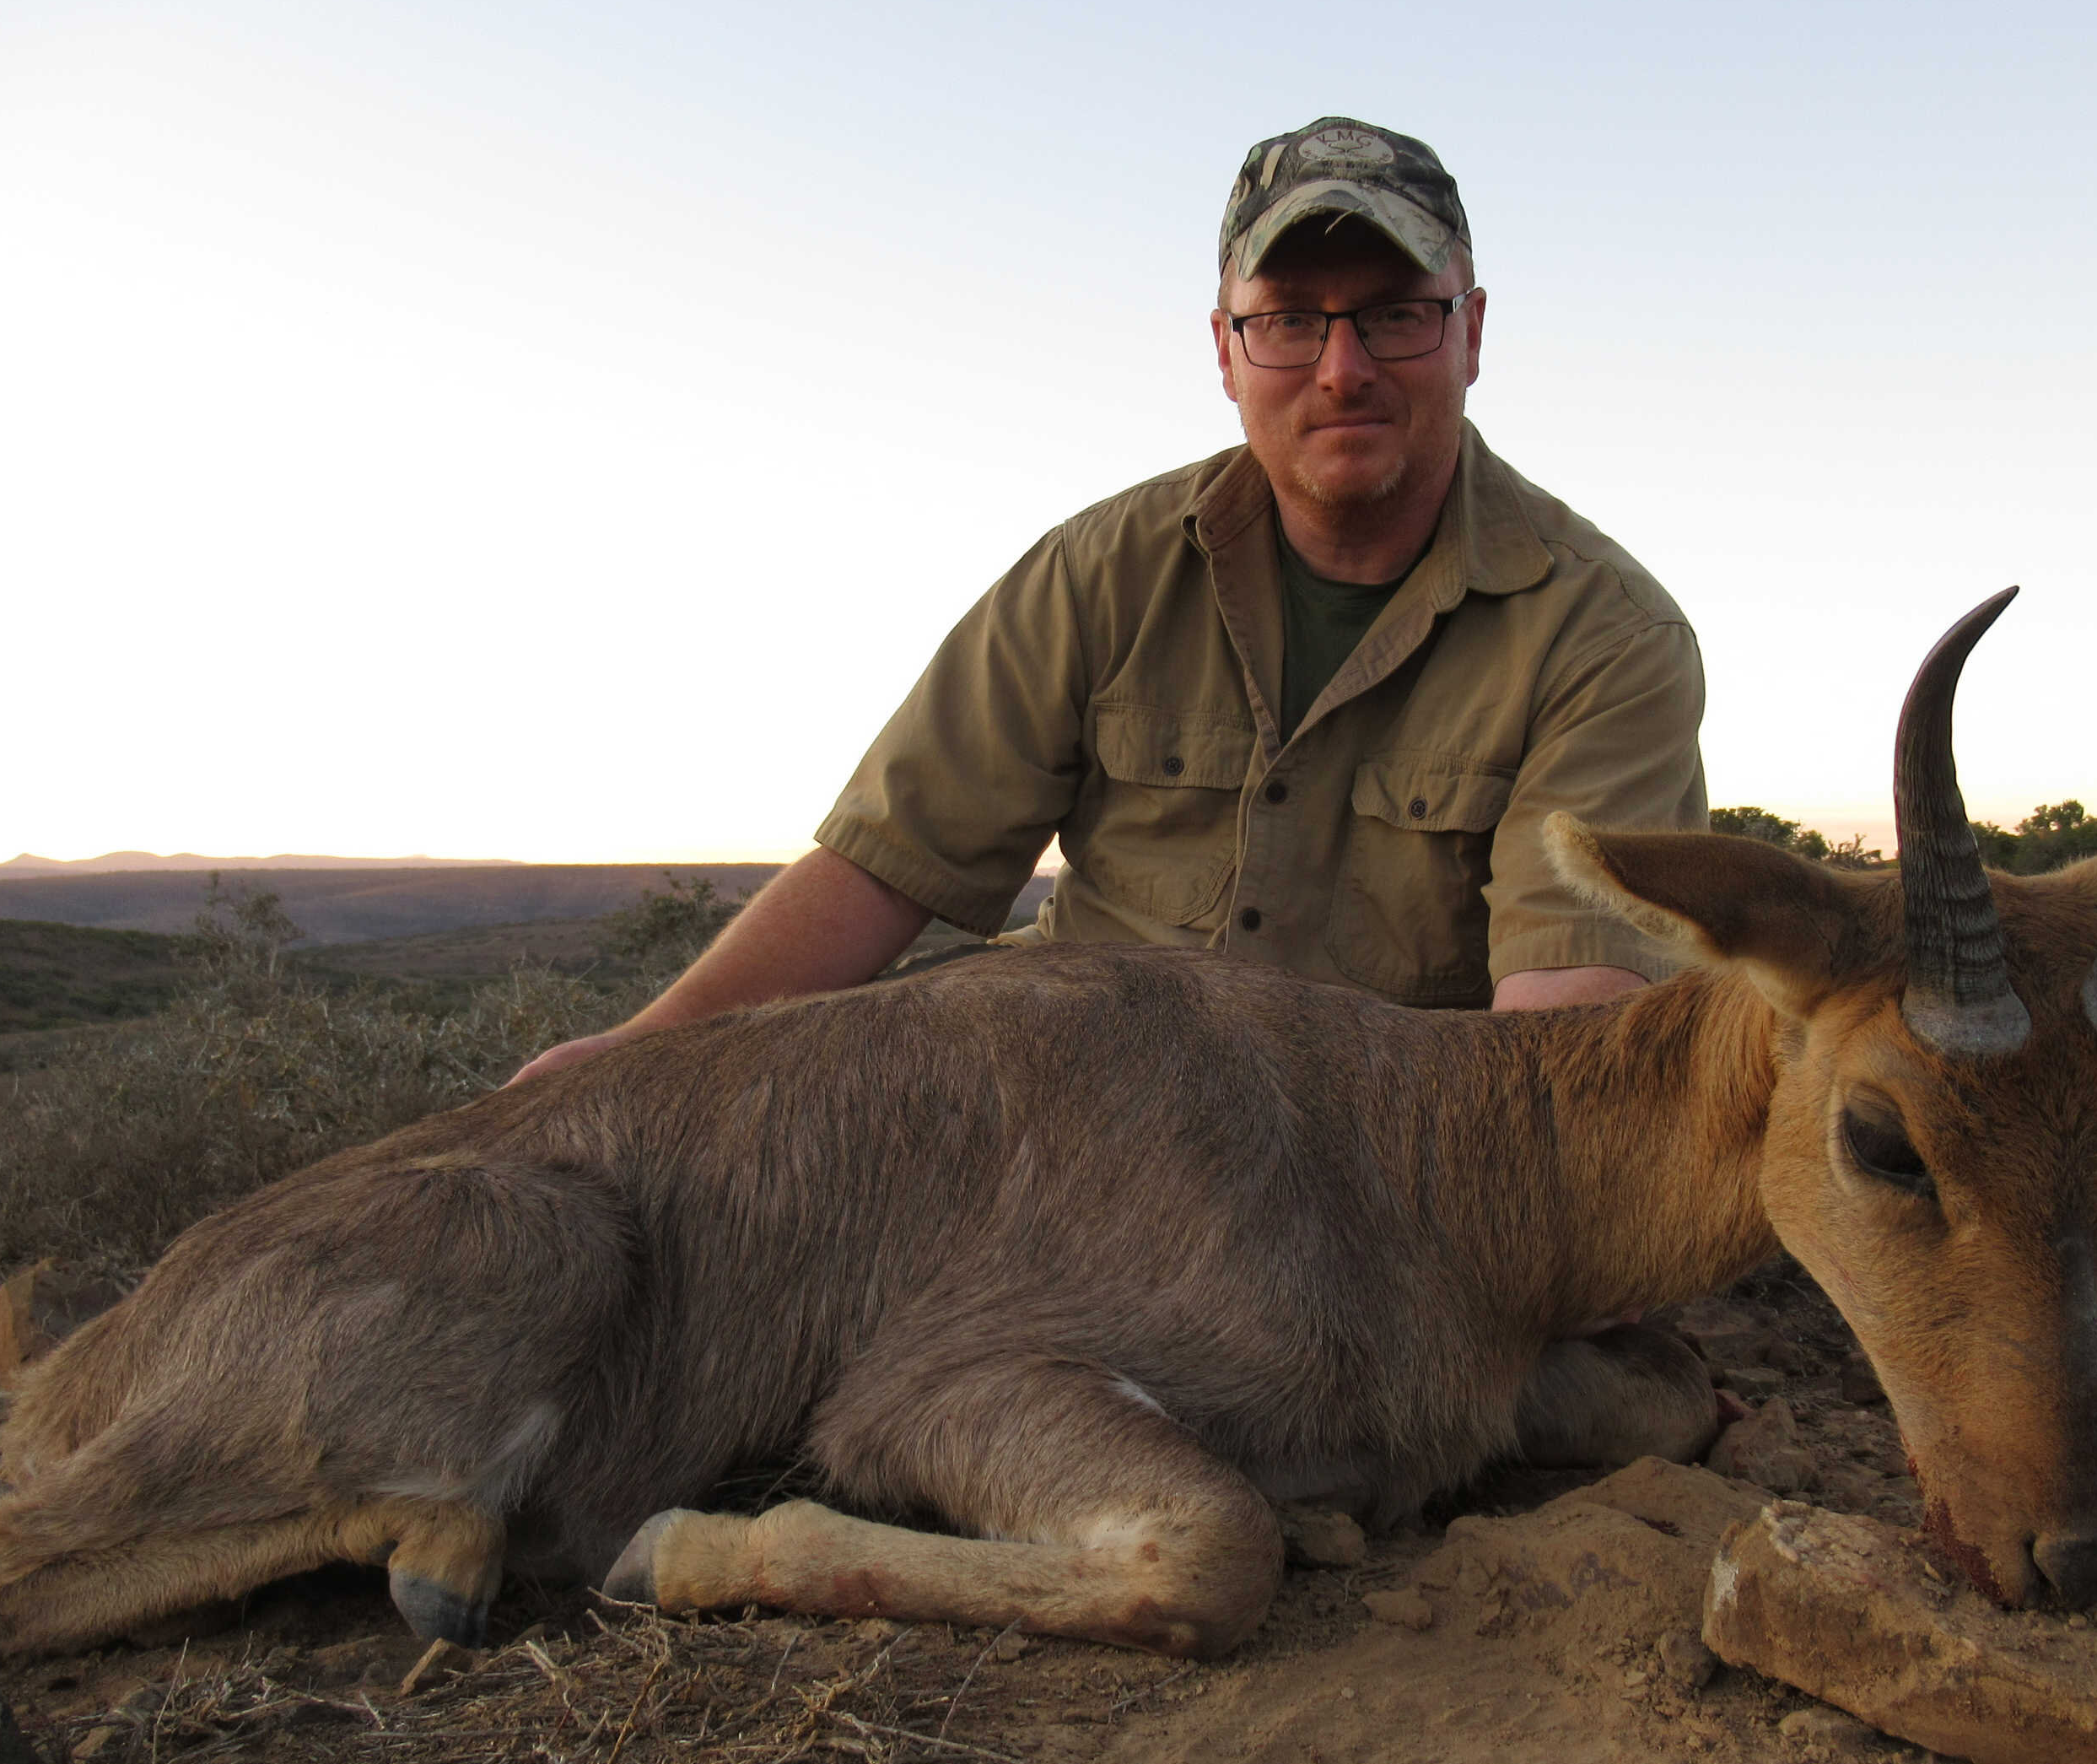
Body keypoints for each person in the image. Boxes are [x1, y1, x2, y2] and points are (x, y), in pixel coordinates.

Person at [514, 116, 1706, 1087]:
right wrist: (635, 1060)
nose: (1343, 368)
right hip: (1065, 1108)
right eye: (1290, 320)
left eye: (1396, 313)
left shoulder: (1606, 639)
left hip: (1377, 1187)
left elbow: (1564, 1040)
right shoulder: (1097, 573)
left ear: (1472, 332)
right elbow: (883, 870)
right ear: (1228, 352)